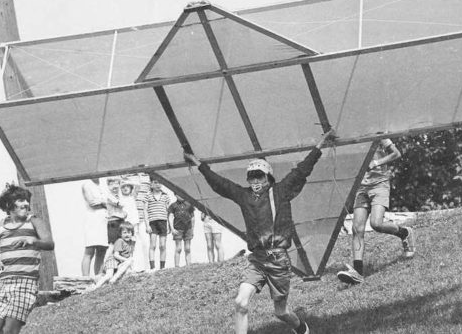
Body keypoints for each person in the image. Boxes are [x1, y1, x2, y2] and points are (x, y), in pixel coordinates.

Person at [184, 129, 335, 334]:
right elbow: (220, 184)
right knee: (240, 302)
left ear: (268, 178)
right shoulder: (243, 196)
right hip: (257, 259)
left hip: (278, 261)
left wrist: (321, 145)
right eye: (251, 178)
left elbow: (302, 170)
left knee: (281, 312)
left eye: (259, 177)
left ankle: (301, 329)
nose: (255, 182)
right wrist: (198, 163)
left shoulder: (281, 191)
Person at [0, 184, 55, 334]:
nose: (26, 203)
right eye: (21, 200)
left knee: (10, 329)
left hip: (26, 282)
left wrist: (33, 241)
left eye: (27, 200)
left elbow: (49, 243)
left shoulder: (34, 221)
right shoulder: (0, 226)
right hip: (4, 283)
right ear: (9, 204)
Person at [337, 138, 414, 285]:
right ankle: (358, 272)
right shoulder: (352, 138)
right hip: (361, 187)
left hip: (380, 185)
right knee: (356, 228)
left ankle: (404, 233)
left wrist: (376, 163)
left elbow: (396, 154)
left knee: (376, 224)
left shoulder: (379, 134)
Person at [81, 178, 111, 277]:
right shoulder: (87, 184)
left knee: (101, 250)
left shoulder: (102, 184)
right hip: (92, 220)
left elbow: (110, 201)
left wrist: (104, 203)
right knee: (90, 250)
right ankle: (85, 278)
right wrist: (105, 203)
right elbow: (92, 203)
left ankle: (98, 277)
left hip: (104, 220)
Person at [94, 221, 135, 289]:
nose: (127, 235)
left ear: (132, 233)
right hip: (112, 261)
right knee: (109, 275)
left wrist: (129, 263)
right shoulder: (120, 241)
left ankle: (113, 279)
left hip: (119, 262)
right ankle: (96, 286)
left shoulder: (130, 243)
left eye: (129, 232)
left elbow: (130, 256)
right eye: (124, 233)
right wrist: (127, 260)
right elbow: (116, 255)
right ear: (120, 234)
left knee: (129, 267)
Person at [143, 178, 171, 270]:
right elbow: (145, 211)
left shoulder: (165, 196)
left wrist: (170, 225)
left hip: (163, 221)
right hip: (152, 222)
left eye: (160, 182)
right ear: (151, 184)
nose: (158, 185)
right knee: (153, 245)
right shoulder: (148, 195)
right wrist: (147, 225)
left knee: (162, 245)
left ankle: (162, 267)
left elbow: (168, 212)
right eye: (156, 182)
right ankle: (152, 267)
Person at [168, 195, 195, 267]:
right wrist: (172, 229)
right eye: (178, 194)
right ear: (175, 195)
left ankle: (188, 265)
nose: (181, 196)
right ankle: (177, 265)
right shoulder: (173, 205)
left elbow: (192, 217)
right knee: (178, 248)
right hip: (177, 229)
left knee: (188, 248)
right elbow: (170, 217)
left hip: (188, 228)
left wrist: (192, 229)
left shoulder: (189, 205)